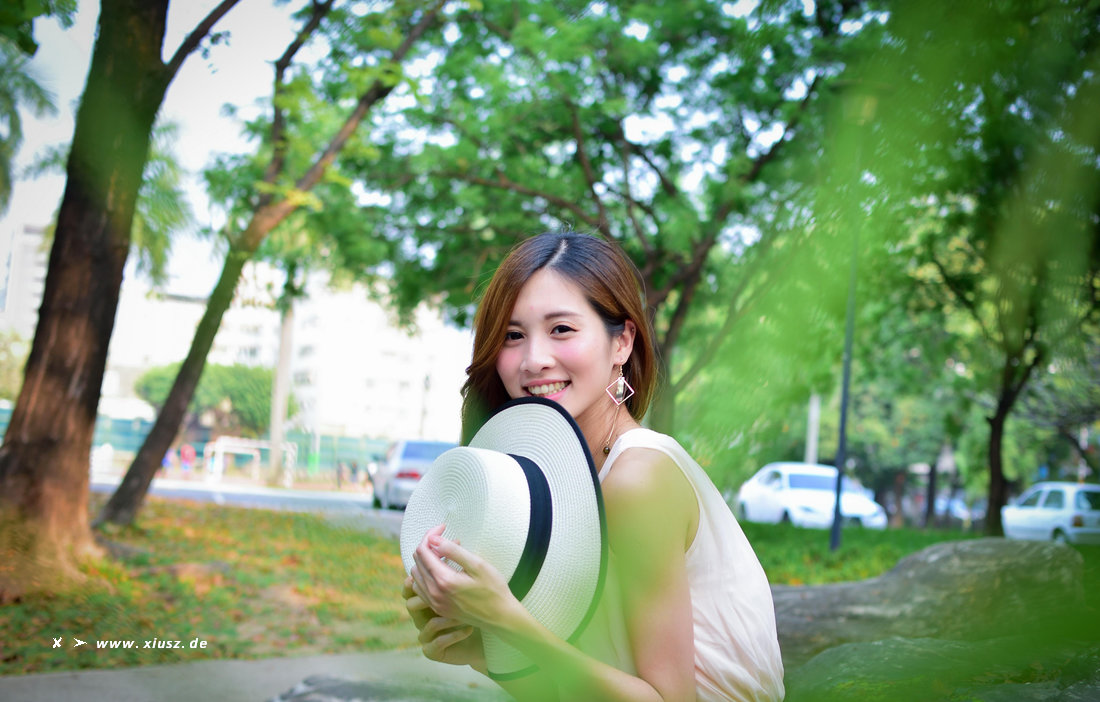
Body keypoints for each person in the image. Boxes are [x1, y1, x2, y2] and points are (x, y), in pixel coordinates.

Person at [404, 232, 784, 702]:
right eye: (512, 336)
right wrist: (478, 651)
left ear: (622, 341)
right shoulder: (541, 489)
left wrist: (506, 620)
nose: (534, 361)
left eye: (562, 329)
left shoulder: (639, 479)